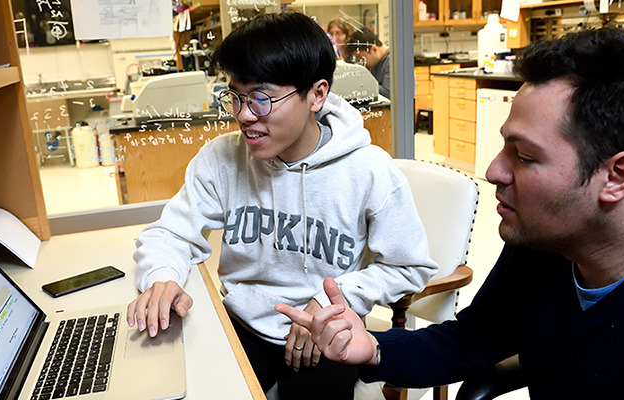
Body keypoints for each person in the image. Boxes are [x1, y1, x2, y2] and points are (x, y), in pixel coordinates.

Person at [278, 27, 624, 399]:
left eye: (525, 156)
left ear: (617, 177)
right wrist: (374, 349)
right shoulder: (547, 241)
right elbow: (473, 341)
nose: (492, 171)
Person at [125, 11, 438, 400]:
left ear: (317, 94)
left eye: (260, 99)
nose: (243, 116)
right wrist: (162, 277)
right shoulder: (221, 158)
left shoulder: (369, 171)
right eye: (235, 97)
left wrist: (332, 301)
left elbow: (411, 267)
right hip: (242, 322)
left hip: (325, 331)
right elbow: (171, 232)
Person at [346, 29, 391, 99]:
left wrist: (362, 81)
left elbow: (388, 94)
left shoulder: (392, 61)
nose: (361, 63)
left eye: (360, 58)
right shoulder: (374, 62)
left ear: (374, 49)